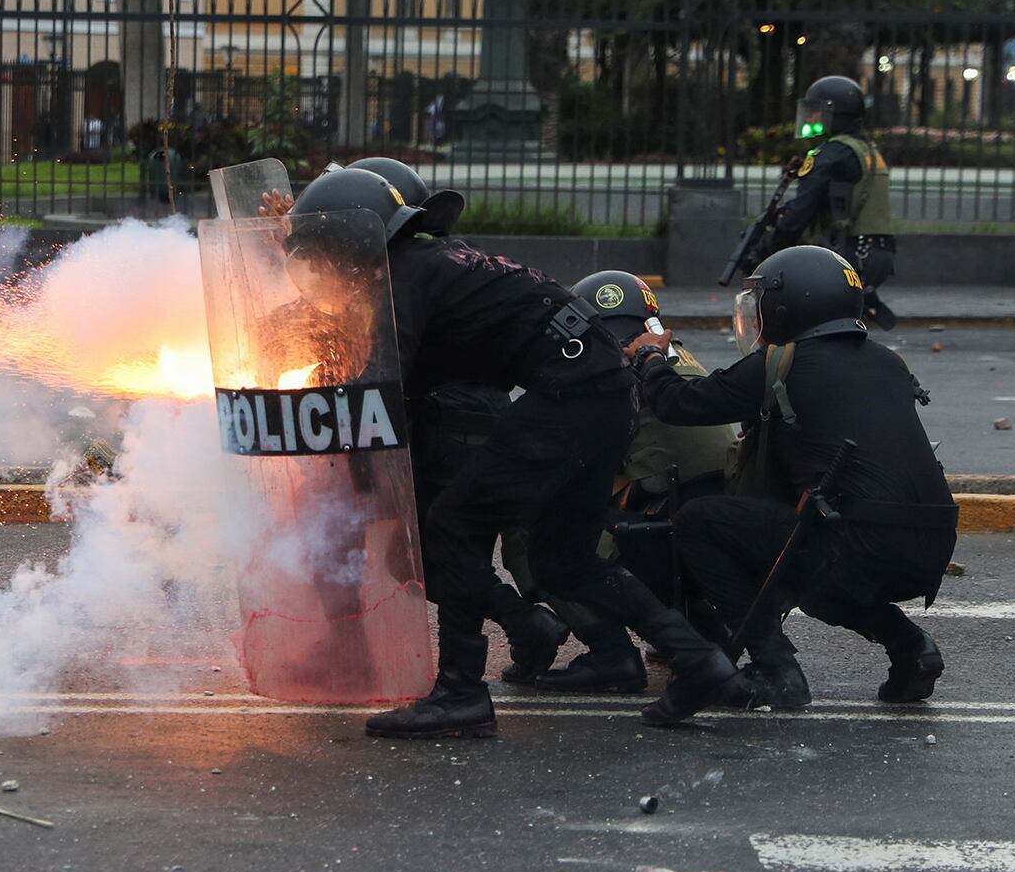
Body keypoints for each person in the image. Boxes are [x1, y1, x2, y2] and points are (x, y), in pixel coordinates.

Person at [272, 169, 740, 738]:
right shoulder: (439, 264)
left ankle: (460, 693)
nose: (325, 273)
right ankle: (698, 660)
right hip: (607, 393)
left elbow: (381, 387)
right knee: (565, 560)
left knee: (452, 523)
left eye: (324, 257)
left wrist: (312, 426)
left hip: (570, 397)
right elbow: (415, 373)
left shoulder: (404, 279)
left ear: (350, 246)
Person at [627, 245, 957, 713]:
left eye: (760, 302)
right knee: (813, 565)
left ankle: (774, 669)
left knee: (701, 519)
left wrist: (652, 360)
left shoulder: (786, 362)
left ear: (785, 306)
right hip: (929, 549)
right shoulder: (887, 362)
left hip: (859, 544)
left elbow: (683, 404)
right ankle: (911, 647)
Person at [343, 156, 567, 690]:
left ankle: (471, 675)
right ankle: (524, 624)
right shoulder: (443, 258)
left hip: (455, 425)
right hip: (472, 420)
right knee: (418, 559)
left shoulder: (410, 273)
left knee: (438, 552)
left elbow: (385, 368)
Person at [535, 270, 739, 695]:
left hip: (661, 521)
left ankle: (609, 653)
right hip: (710, 514)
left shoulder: (611, 366)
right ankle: (692, 630)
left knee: (536, 528)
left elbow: (574, 457)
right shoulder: (671, 355)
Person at [756, 76, 897, 327]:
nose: (810, 120)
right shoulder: (866, 149)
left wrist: (765, 250)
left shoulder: (829, 155)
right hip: (878, 255)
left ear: (836, 114)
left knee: (807, 326)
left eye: (817, 113)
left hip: (848, 254)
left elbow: (800, 213)